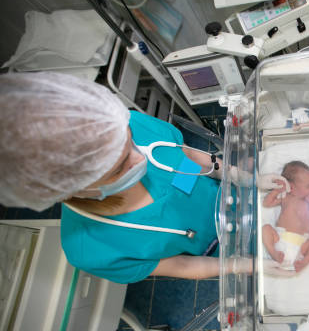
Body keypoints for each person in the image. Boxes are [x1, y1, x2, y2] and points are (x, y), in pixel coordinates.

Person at [0, 72, 256, 284]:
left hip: (229, 194)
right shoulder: (89, 248)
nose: (141, 158)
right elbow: (181, 264)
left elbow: (190, 157)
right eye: (119, 168)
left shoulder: (133, 126)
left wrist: (239, 176)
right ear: (73, 190)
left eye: (129, 141)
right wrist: (241, 265)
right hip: (220, 250)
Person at [262, 161, 309, 272]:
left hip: (302, 247)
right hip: (281, 241)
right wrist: (277, 190)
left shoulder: (308, 203)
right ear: (292, 187)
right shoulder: (286, 197)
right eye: (308, 186)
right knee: (266, 229)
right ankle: (272, 251)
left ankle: (304, 262)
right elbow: (267, 203)